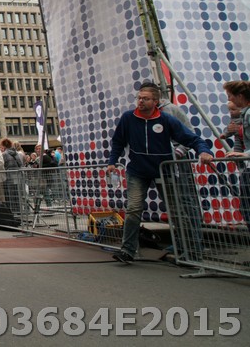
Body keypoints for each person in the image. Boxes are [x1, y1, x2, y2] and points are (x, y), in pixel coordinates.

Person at [107, 83, 214, 264]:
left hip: (164, 170)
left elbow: (191, 138)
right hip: (137, 171)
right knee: (133, 209)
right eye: (139, 98)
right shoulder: (128, 118)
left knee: (177, 211)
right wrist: (112, 162)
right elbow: (118, 141)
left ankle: (191, 252)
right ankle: (127, 250)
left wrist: (204, 151)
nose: (141, 101)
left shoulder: (166, 119)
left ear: (155, 101)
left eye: (146, 98)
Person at [223, 81, 250, 234]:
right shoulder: (244, 114)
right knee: (245, 207)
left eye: (230, 96)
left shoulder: (248, 114)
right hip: (247, 167)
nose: (229, 99)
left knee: (246, 207)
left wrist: (245, 154)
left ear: (240, 96)